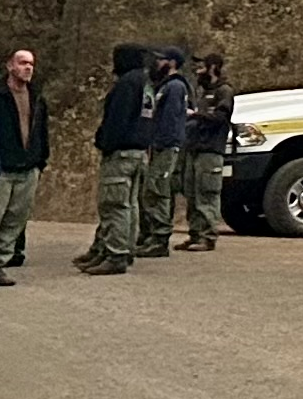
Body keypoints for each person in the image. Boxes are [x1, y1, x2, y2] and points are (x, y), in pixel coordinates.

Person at [0, 49, 48, 285]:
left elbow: (42, 130)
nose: (28, 68)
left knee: (16, 218)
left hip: (28, 166)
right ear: (10, 66)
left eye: (31, 64)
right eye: (22, 63)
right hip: (0, 168)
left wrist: (41, 158)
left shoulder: (36, 97)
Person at [80, 44, 152, 274]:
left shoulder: (127, 84)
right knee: (130, 205)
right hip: (140, 152)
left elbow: (117, 121)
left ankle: (116, 254)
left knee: (114, 204)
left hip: (121, 152)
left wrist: (104, 143)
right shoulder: (146, 83)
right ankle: (125, 249)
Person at [136, 48, 192, 256]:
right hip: (158, 145)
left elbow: (169, 120)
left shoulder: (175, 87)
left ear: (172, 63)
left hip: (165, 146)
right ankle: (150, 235)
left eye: (161, 60)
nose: (157, 63)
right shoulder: (164, 86)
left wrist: (161, 143)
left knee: (158, 190)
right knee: (151, 190)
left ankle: (159, 239)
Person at [179, 49, 236, 251]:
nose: (198, 72)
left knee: (207, 194)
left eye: (202, 67)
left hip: (211, 151)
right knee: (192, 194)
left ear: (213, 68)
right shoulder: (204, 92)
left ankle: (207, 236)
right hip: (195, 149)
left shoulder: (224, 91)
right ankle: (195, 234)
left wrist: (196, 116)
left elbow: (221, 118)